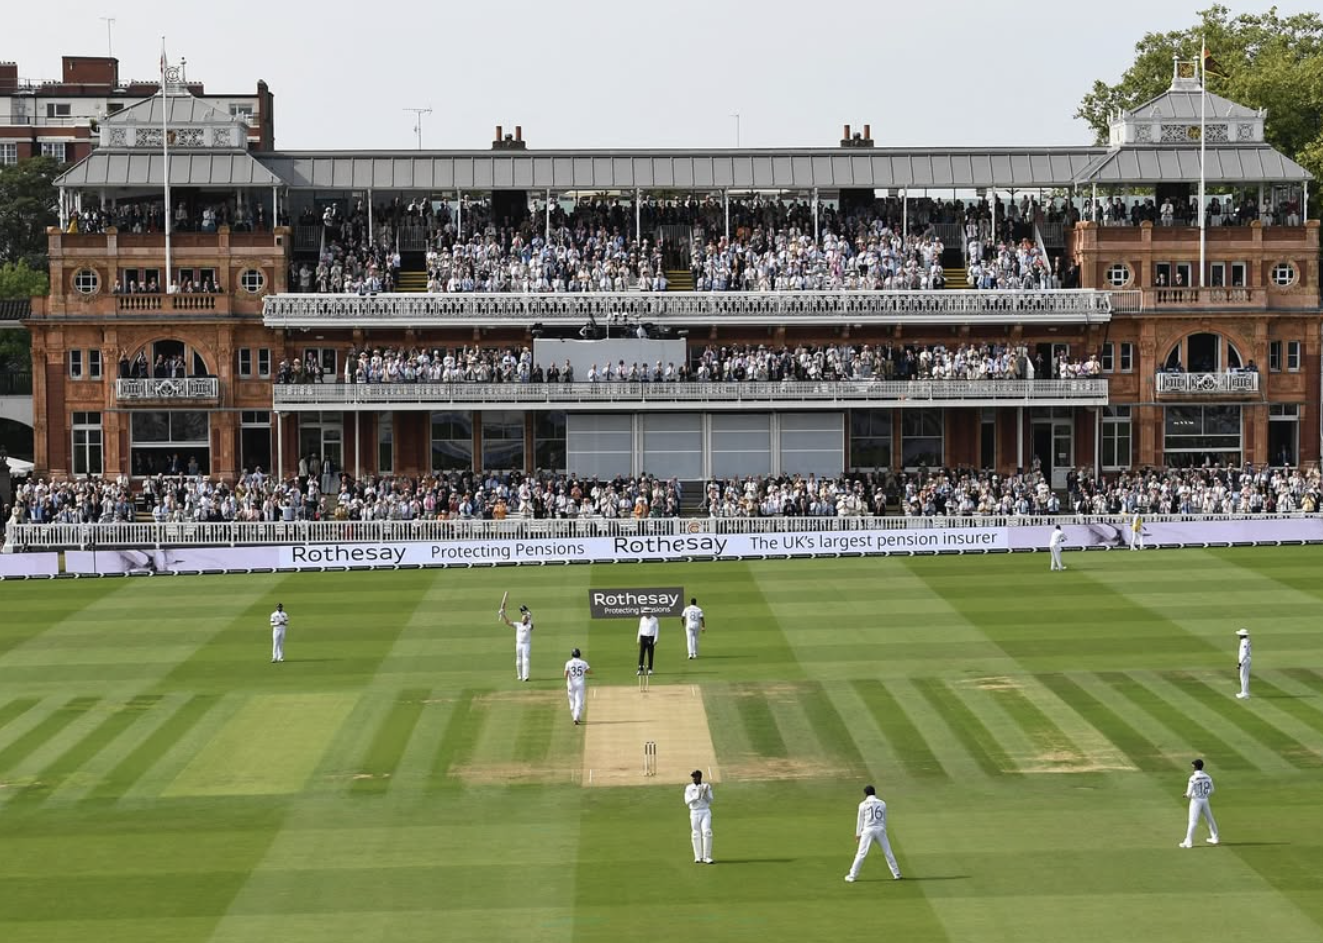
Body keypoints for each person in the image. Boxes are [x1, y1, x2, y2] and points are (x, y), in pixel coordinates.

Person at [846, 785, 901, 882]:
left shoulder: (863, 804)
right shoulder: (882, 803)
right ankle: (896, 874)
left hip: (868, 830)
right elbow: (884, 818)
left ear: (865, 794)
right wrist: (883, 829)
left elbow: (860, 820)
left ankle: (852, 876)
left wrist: (858, 834)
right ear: (874, 792)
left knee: (861, 854)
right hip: (880, 829)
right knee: (888, 852)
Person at [1179, 758, 1219, 847]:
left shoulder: (1193, 778)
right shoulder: (1208, 776)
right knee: (1210, 819)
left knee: (1193, 821)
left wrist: (1186, 795)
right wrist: (1204, 794)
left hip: (1196, 801)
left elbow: (1189, 794)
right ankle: (1215, 838)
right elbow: (1212, 790)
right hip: (1205, 799)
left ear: (1194, 767)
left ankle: (1188, 842)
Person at [684, 769, 714, 864]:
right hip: (694, 812)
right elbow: (687, 801)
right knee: (696, 834)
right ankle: (698, 857)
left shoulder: (706, 786)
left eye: (695, 776)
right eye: (692, 776)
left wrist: (704, 795)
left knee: (707, 832)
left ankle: (707, 857)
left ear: (700, 777)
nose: (693, 778)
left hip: (705, 811)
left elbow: (711, 800)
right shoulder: (689, 788)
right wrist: (695, 797)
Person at [500, 604, 535, 681]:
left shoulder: (528, 626)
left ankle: (525, 676)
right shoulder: (518, 625)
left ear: (527, 620)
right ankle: (519, 676)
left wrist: (530, 616)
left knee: (526, 660)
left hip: (526, 644)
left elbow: (532, 626)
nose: (523, 619)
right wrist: (503, 615)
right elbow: (508, 623)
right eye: (523, 618)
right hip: (519, 644)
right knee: (518, 660)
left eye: (525, 618)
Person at [564, 647, 592, 725]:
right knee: (579, 701)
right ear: (579, 654)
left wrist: (568, 681)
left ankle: (575, 717)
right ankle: (576, 717)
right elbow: (588, 671)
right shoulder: (583, 663)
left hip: (571, 685)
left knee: (572, 701)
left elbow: (565, 674)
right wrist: (589, 672)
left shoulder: (568, 663)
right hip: (580, 684)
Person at [1236, 628, 1251, 699]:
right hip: (1246, 660)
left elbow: (1244, 653)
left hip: (1244, 661)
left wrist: (1240, 663)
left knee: (1243, 677)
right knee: (1245, 677)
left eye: (1240, 635)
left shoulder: (1244, 642)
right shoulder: (1246, 641)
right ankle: (1245, 692)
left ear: (1242, 635)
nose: (1239, 636)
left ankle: (1244, 693)